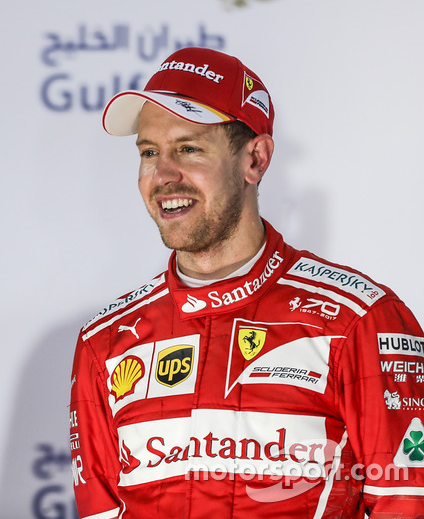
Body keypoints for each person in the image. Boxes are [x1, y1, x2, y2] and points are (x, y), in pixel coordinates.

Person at [69, 47, 424, 517]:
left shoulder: (360, 320)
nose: (164, 175)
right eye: (150, 152)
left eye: (189, 148)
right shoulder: (105, 342)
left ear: (255, 160)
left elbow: (407, 503)